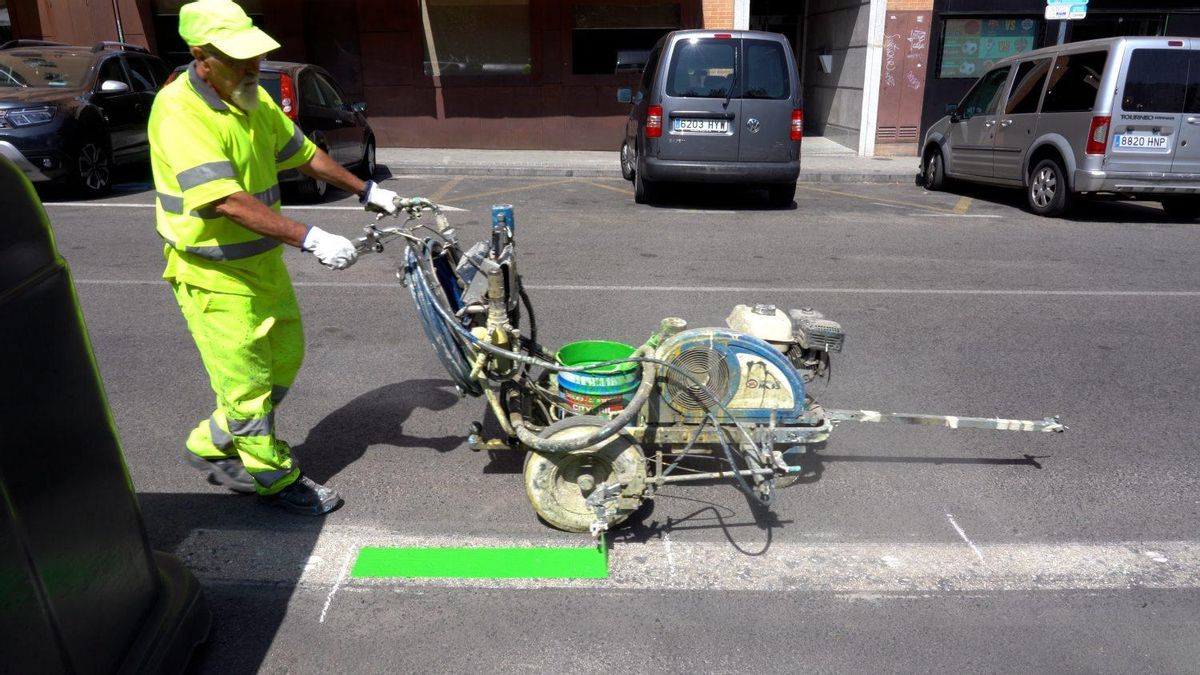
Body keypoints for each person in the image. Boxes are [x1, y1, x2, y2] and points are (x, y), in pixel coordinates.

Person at [149, 0, 399, 515]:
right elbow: (224, 200)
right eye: (238, 59)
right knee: (245, 383)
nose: (253, 68)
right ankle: (273, 478)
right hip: (211, 272)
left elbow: (304, 154)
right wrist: (311, 237)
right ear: (201, 56)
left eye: (255, 57)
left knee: (285, 358)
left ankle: (208, 442)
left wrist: (366, 188)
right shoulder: (180, 112)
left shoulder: (251, 100)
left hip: (261, 265)